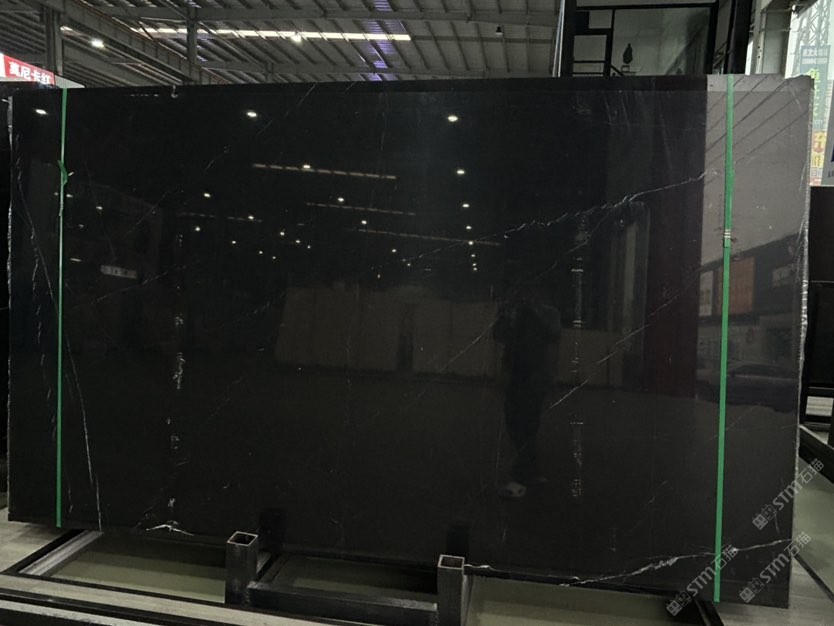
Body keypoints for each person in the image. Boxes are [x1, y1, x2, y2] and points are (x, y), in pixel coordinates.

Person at [494, 287, 561, 498]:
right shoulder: (520, 313)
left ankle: (524, 472)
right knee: (518, 422)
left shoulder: (543, 313)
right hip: (521, 375)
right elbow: (499, 335)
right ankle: (528, 469)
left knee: (525, 423)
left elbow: (553, 337)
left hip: (531, 376)